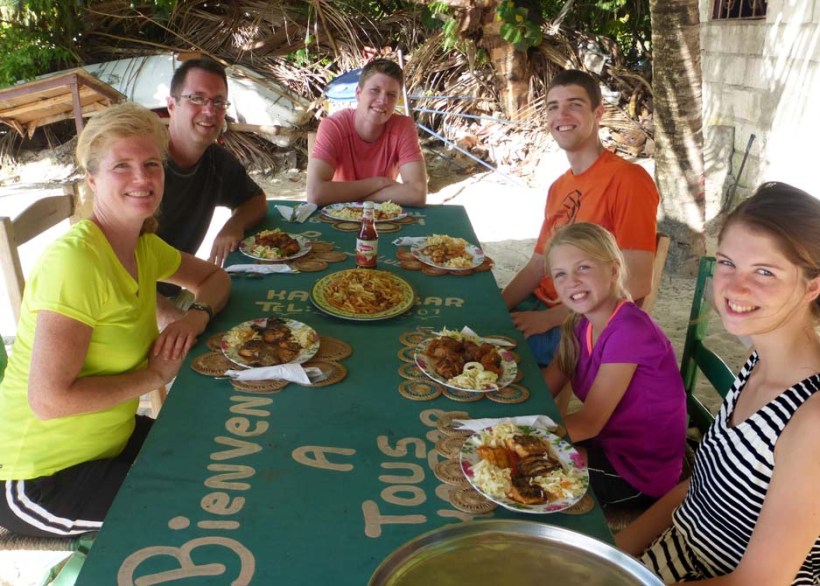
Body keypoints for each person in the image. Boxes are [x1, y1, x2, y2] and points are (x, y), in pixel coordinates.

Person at [0, 102, 231, 537]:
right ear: (92, 180)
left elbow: (215, 279)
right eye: (121, 166)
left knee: (226, 466)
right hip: (38, 478)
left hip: (110, 441)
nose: (142, 178)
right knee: (204, 511)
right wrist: (153, 376)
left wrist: (192, 318)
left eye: (150, 164)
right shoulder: (77, 263)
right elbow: (48, 401)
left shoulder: (142, 245)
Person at [616, 182, 820, 585]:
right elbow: (704, 486)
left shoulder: (812, 418)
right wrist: (617, 551)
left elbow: (760, 582)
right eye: (727, 263)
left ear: (811, 287)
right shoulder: (758, 359)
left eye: (764, 271)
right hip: (671, 556)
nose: (735, 287)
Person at [502, 69, 659, 367]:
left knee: (477, 350)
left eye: (574, 104)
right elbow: (538, 265)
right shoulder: (559, 186)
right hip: (543, 304)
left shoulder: (627, 180)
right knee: (469, 316)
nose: (562, 115)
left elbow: (636, 281)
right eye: (553, 106)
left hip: (581, 324)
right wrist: (496, 309)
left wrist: (549, 318)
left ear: (598, 113)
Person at [543, 223, 686, 509]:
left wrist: (516, 430)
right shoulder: (580, 323)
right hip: (606, 443)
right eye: (560, 274)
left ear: (614, 269)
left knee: (526, 472)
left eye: (583, 267)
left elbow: (588, 422)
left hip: (638, 472)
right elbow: (546, 387)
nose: (571, 281)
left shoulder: (629, 331)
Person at [162, 57, 267, 267]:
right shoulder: (145, 164)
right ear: (172, 105)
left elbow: (255, 200)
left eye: (218, 102)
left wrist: (234, 224)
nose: (210, 111)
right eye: (197, 98)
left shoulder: (216, 160)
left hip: (176, 286)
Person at [306, 58, 427, 207]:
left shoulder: (403, 127)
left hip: (383, 218)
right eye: (375, 90)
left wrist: (358, 198)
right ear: (358, 93)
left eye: (391, 95)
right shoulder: (334, 126)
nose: (383, 100)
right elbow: (315, 193)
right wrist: (379, 182)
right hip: (339, 217)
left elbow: (417, 194)